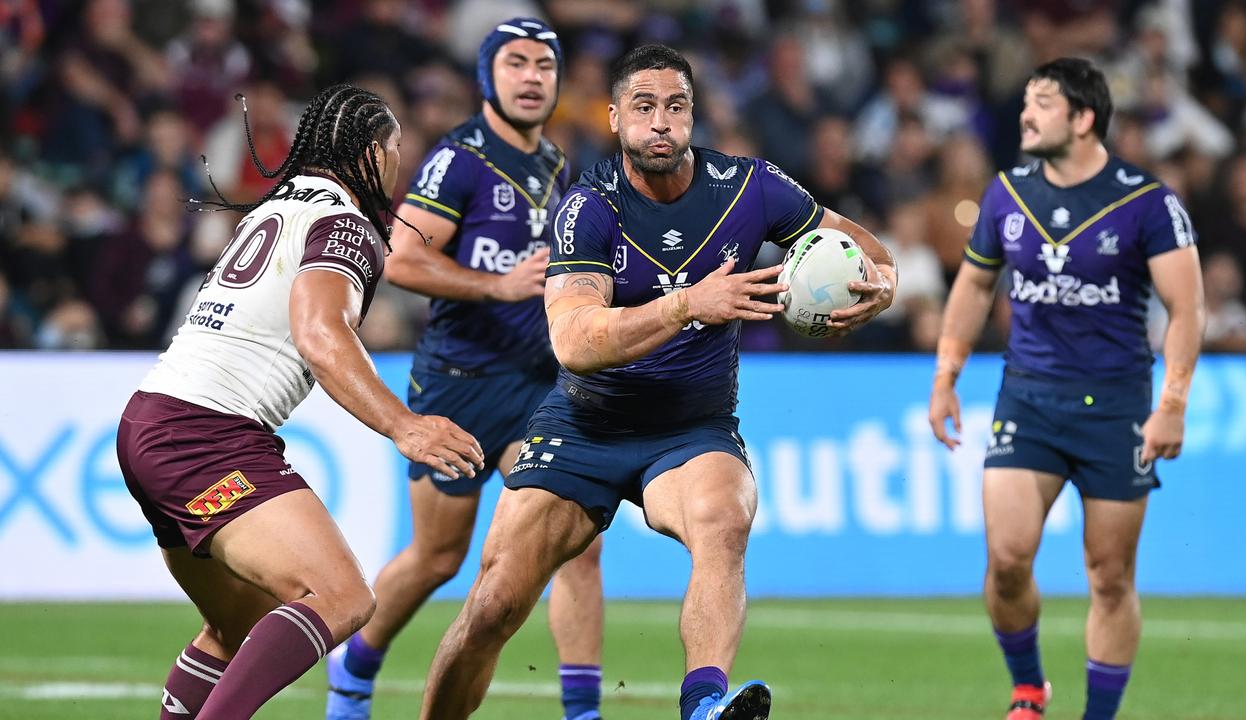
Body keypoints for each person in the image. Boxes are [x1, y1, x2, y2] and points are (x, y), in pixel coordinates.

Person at [418, 44, 897, 720]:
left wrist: (881, 288)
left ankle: (703, 706)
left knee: (724, 520)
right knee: (493, 607)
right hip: (585, 427)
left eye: (675, 106)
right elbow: (573, 342)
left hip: (689, 430)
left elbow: (869, 251)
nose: (661, 122)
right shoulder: (589, 208)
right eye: (644, 107)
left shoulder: (751, 187)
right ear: (615, 119)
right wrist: (685, 304)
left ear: (693, 115)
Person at [116, 83, 483, 720]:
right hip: (207, 435)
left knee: (237, 630)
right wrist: (404, 426)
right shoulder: (346, 227)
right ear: (372, 153)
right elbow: (322, 333)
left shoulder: (276, 209)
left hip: (152, 419)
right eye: (396, 150)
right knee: (339, 595)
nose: (399, 165)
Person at [324, 18, 607, 720]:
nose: (533, 76)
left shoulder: (556, 164)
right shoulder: (461, 160)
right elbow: (404, 257)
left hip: (540, 387)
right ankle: (353, 676)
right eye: (516, 63)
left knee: (576, 545)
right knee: (437, 557)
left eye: (546, 64)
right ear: (489, 77)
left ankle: (584, 713)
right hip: (459, 382)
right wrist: (497, 285)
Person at [928, 58, 1204, 720]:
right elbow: (973, 284)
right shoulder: (1007, 193)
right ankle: (1029, 688)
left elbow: (1188, 308)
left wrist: (1172, 404)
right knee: (1008, 560)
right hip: (1028, 397)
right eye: (1026, 101)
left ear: (1083, 119)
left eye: (1043, 103)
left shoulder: (1147, 202)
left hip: (1117, 408)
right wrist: (945, 376)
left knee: (1109, 577)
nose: (1025, 114)